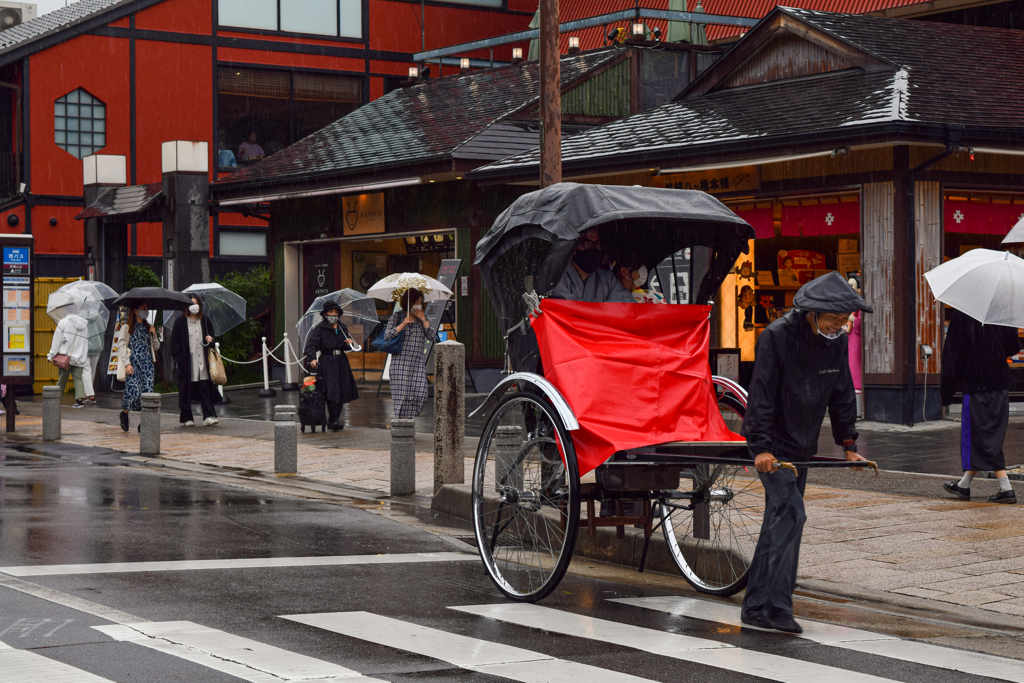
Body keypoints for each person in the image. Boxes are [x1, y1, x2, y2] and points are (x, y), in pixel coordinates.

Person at [741, 272, 870, 634]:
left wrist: (849, 444)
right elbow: (761, 395)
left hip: (804, 445)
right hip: (775, 444)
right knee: (792, 515)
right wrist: (761, 447)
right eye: (834, 319)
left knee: (779, 522)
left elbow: (842, 393)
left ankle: (754, 606)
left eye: (845, 321)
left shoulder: (835, 341)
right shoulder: (777, 337)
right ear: (813, 311)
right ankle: (778, 606)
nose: (840, 326)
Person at [941, 309, 1020, 504]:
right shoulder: (1001, 313)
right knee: (986, 433)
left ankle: (1006, 488)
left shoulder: (963, 315)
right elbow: (1013, 347)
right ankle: (964, 485)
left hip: (976, 384)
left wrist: (947, 391)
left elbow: (952, 354)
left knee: (978, 434)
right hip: (999, 381)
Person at [383, 289, 438, 419]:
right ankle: (403, 425)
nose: (418, 305)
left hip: (417, 363)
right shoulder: (397, 316)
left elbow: (432, 337)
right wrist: (403, 324)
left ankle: (408, 419)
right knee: (402, 396)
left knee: (421, 394)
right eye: (416, 302)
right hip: (400, 363)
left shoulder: (422, 320)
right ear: (409, 302)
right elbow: (387, 336)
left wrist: (424, 319)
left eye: (421, 302)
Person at [304, 302, 360, 430]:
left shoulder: (342, 328)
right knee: (331, 390)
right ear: (325, 314)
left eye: (335, 313)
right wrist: (312, 359)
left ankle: (335, 418)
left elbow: (347, 346)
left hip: (341, 361)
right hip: (328, 361)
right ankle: (333, 419)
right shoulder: (320, 328)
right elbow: (311, 346)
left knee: (342, 389)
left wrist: (349, 343)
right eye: (330, 313)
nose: (333, 315)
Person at [171, 295, 219, 427]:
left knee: (205, 388)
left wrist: (211, 340)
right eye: (192, 303)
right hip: (187, 365)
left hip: (202, 362)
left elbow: (213, 340)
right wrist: (181, 360)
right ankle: (187, 417)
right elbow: (174, 345)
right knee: (186, 390)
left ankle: (208, 415)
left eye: (197, 302)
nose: (195, 305)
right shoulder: (180, 322)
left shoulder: (205, 321)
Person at [550, 228, 633, 303]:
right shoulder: (557, 278)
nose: (593, 248)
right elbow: (564, 308)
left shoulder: (608, 279)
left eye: (597, 244)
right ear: (574, 246)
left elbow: (625, 305)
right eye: (587, 243)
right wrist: (604, 311)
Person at [116, 305, 160, 432]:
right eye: (143, 308)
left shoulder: (148, 327)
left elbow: (156, 347)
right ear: (135, 310)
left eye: (147, 308)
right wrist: (126, 364)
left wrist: (154, 334)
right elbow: (122, 346)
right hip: (133, 364)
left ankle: (144, 422)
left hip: (147, 365)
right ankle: (124, 414)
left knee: (147, 394)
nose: (145, 311)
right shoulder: (127, 327)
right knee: (133, 392)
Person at [47, 313, 90, 409]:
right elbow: (86, 341)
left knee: (62, 379)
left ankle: (57, 400)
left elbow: (56, 340)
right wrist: (83, 355)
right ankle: (79, 401)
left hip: (65, 357)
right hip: (80, 358)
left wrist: (51, 355)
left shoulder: (63, 322)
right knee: (78, 379)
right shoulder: (84, 325)